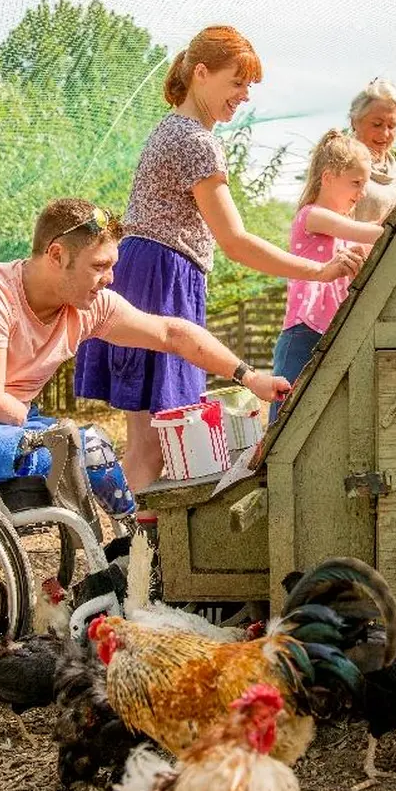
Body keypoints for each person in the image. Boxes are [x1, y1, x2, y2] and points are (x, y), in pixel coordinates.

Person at [73, 26, 363, 499]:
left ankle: (127, 555)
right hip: (161, 277)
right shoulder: (195, 141)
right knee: (156, 446)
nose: (243, 96)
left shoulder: (175, 129)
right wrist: (319, 270)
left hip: (151, 270)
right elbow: (236, 240)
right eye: (236, 83)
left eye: (248, 87)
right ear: (201, 74)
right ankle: (129, 558)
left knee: (150, 442)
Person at [0, 198, 291, 485]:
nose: (110, 279)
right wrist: (54, 431)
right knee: (71, 444)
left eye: (112, 266)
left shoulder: (88, 305)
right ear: (55, 255)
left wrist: (249, 377)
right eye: (99, 266)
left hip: (2, 432)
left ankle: (130, 550)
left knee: (90, 446)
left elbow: (172, 333)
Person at [270, 130, 383, 420]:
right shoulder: (312, 216)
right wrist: (395, 222)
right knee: (283, 421)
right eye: (356, 183)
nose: (361, 193)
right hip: (303, 331)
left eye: (365, 184)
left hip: (330, 331)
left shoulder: (340, 229)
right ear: (329, 178)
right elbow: (371, 233)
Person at [347, 78, 396, 223]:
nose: (384, 134)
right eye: (377, 124)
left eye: (391, 126)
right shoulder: (339, 166)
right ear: (354, 122)